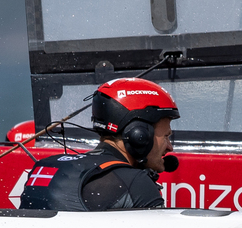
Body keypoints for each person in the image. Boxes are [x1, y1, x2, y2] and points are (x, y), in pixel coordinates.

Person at [19, 78, 179, 211]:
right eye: (166, 136)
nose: (169, 147)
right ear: (139, 135)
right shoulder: (136, 184)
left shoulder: (44, 167)